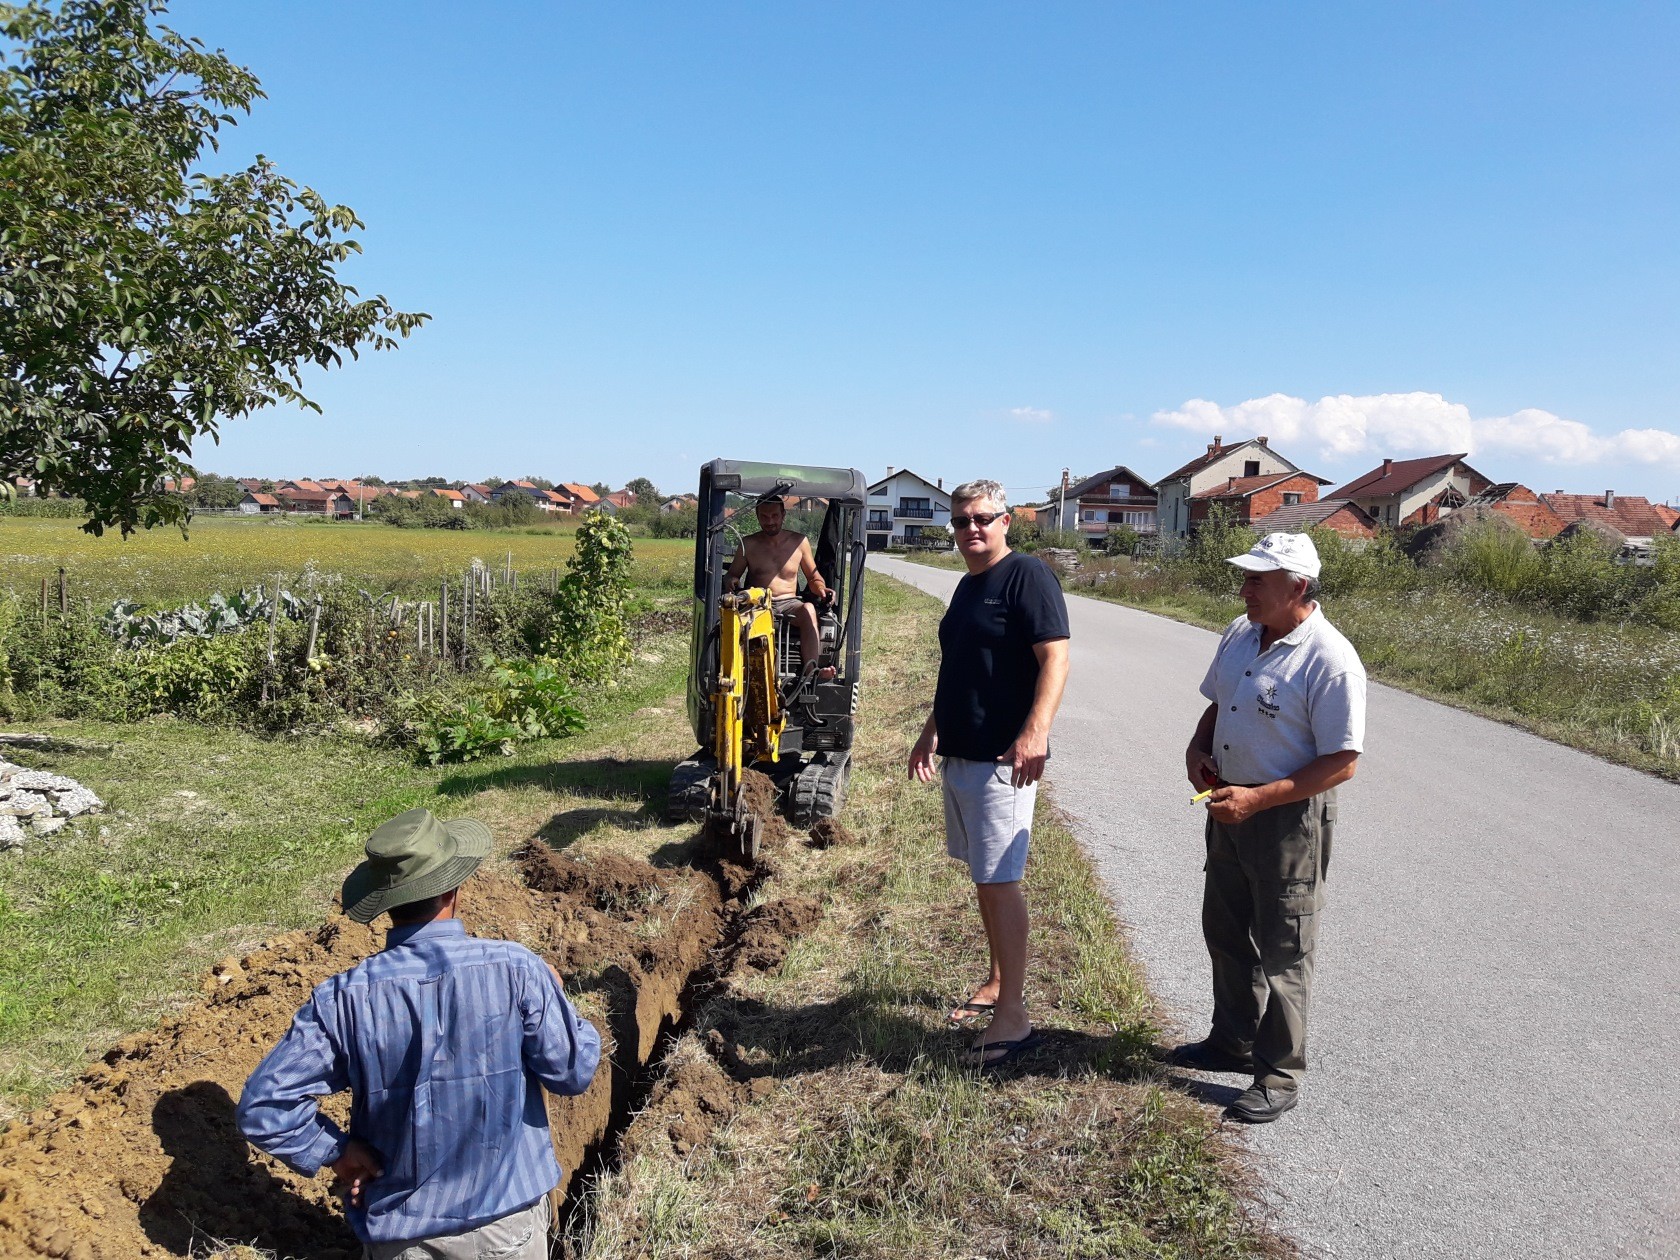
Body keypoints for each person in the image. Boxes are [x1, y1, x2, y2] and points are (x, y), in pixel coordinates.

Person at [237, 808, 601, 1258]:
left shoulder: (342, 999)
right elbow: (572, 1072)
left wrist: (337, 1151)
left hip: (400, 1239)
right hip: (504, 1232)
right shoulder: (517, 969)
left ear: (386, 903)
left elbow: (263, 1106)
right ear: (453, 889)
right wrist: (558, 997)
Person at [1168, 531, 1365, 1124]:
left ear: (1297, 586)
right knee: (1225, 928)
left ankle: (1278, 1074)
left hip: (1286, 818)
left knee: (1285, 946)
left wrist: (1258, 800)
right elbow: (1219, 702)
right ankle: (1231, 1040)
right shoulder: (1241, 633)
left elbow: (1343, 761)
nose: (1245, 588)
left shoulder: (1329, 658)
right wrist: (1197, 749)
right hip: (1229, 802)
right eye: (1246, 576)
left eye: (1259, 579)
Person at [908, 479, 1070, 1068]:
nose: (970, 529)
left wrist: (1035, 732)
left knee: (1000, 881)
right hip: (963, 753)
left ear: (1005, 521)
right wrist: (931, 731)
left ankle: (1015, 1018)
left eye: (981, 518)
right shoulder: (968, 584)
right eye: (960, 521)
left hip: (1003, 758)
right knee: (984, 877)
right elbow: (961, 669)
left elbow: (1055, 657)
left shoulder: (1027, 575)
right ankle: (999, 981)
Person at [725, 495, 835, 680]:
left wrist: (821, 589)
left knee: (809, 609)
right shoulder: (748, 544)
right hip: (758, 604)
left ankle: (812, 672)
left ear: (783, 514)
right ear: (757, 516)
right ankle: (738, 674)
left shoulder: (799, 542)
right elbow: (732, 574)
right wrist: (731, 580)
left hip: (789, 603)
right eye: (764, 517)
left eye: (774, 516)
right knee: (734, 619)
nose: (770, 521)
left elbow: (813, 577)